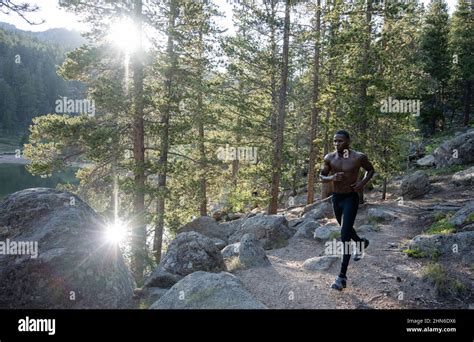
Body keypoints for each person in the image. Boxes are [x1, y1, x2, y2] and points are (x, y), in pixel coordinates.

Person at [320, 130, 375, 291]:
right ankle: (361, 242)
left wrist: (362, 183)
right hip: (337, 199)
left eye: (341, 141)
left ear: (348, 141)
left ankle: (342, 277)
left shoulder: (358, 157)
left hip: (351, 198)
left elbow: (370, 170)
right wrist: (331, 178)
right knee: (346, 229)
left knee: (344, 236)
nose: (337, 144)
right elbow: (321, 176)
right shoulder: (329, 158)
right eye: (335, 141)